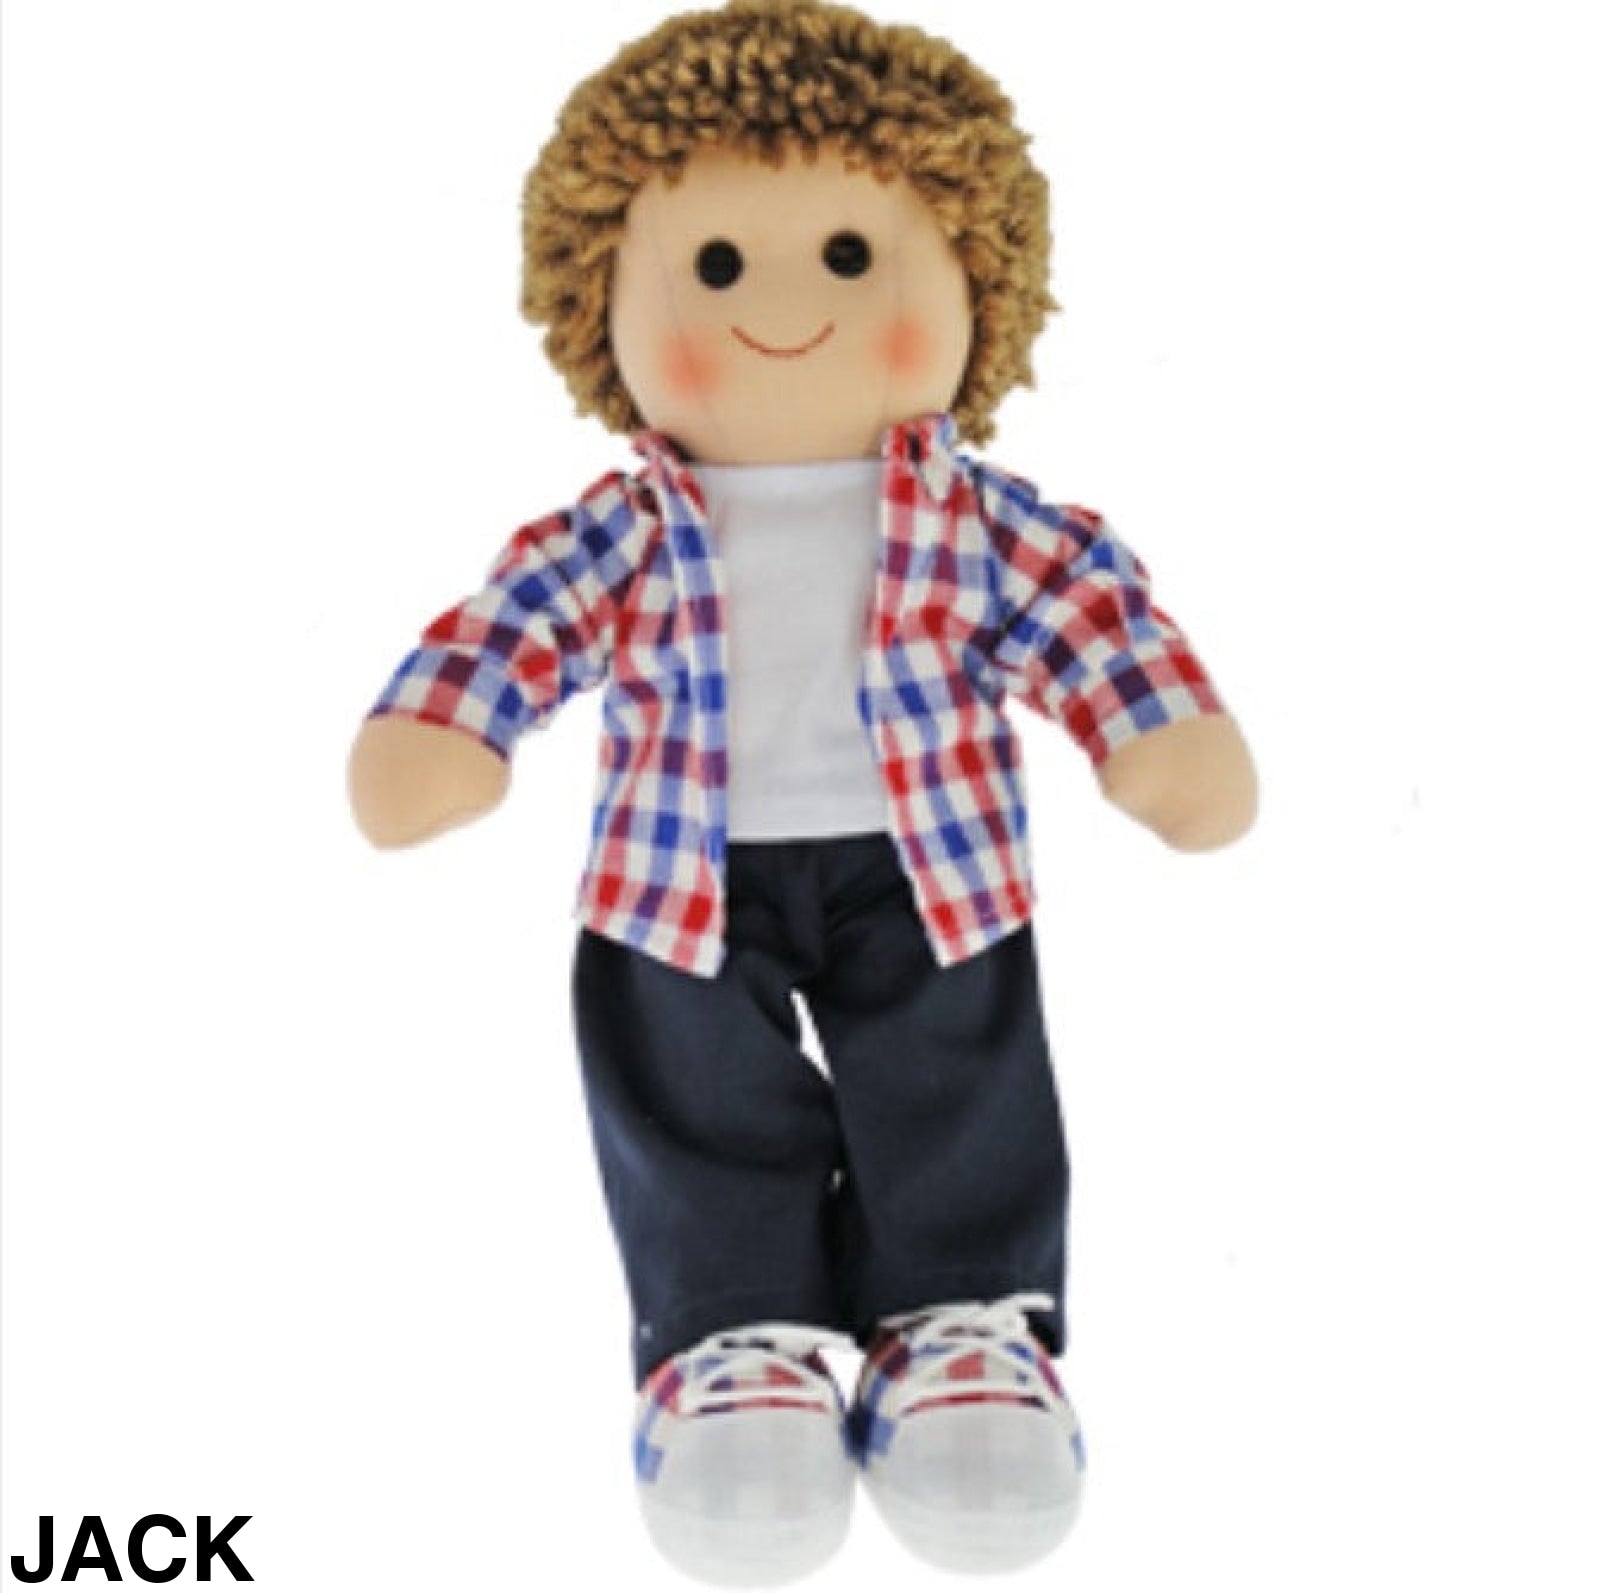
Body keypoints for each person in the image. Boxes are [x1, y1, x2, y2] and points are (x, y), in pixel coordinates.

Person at [348, 1, 1258, 1581]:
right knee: (693, 1093)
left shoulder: (976, 519)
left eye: (850, 257)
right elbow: (519, 621)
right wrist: (453, 726)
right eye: (713, 266)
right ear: (606, 300)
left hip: (934, 867)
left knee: (953, 1078)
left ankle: (960, 1327)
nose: (783, 303)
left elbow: (1085, 611)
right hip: (677, 882)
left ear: (975, 277)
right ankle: (730, 1339)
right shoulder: (633, 528)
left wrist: (1151, 730)